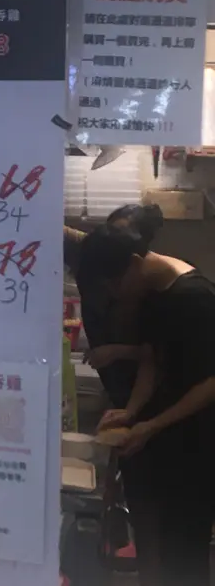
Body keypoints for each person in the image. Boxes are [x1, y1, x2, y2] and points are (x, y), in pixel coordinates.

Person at [80, 224, 215, 586]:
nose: (116, 295)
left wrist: (152, 425)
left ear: (135, 262)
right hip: (169, 438)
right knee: (164, 546)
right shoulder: (157, 293)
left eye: (115, 285)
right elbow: (152, 360)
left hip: (198, 443)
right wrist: (132, 411)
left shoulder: (196, 298)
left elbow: (210, 383)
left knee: (185, 552)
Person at [64, 205, 164, 585]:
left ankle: (146, 558)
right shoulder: (93, 248)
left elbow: (159, 353)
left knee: (148, 496)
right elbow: (48, 224)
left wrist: (118, 352)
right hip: (117, 388)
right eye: (111, 230)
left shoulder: (154, 284)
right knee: (123, 477)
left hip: (147, 393)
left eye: (122, 235)